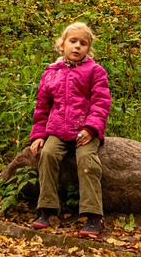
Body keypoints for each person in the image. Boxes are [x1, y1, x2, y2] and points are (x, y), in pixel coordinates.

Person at [28, 22, 112, 237]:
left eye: (83, 43)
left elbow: (101, 103)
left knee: (86, 161)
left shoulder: (95, 71)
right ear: (62, 45)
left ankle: (94, 216)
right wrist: (38, 136)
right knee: (47, 155)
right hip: (57, 129)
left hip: (84, 130)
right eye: (72, 41)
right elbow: (42, 107)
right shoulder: (51, 72)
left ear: (88, 48)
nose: (77, 47)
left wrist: (91, 129)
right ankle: (46, 210)